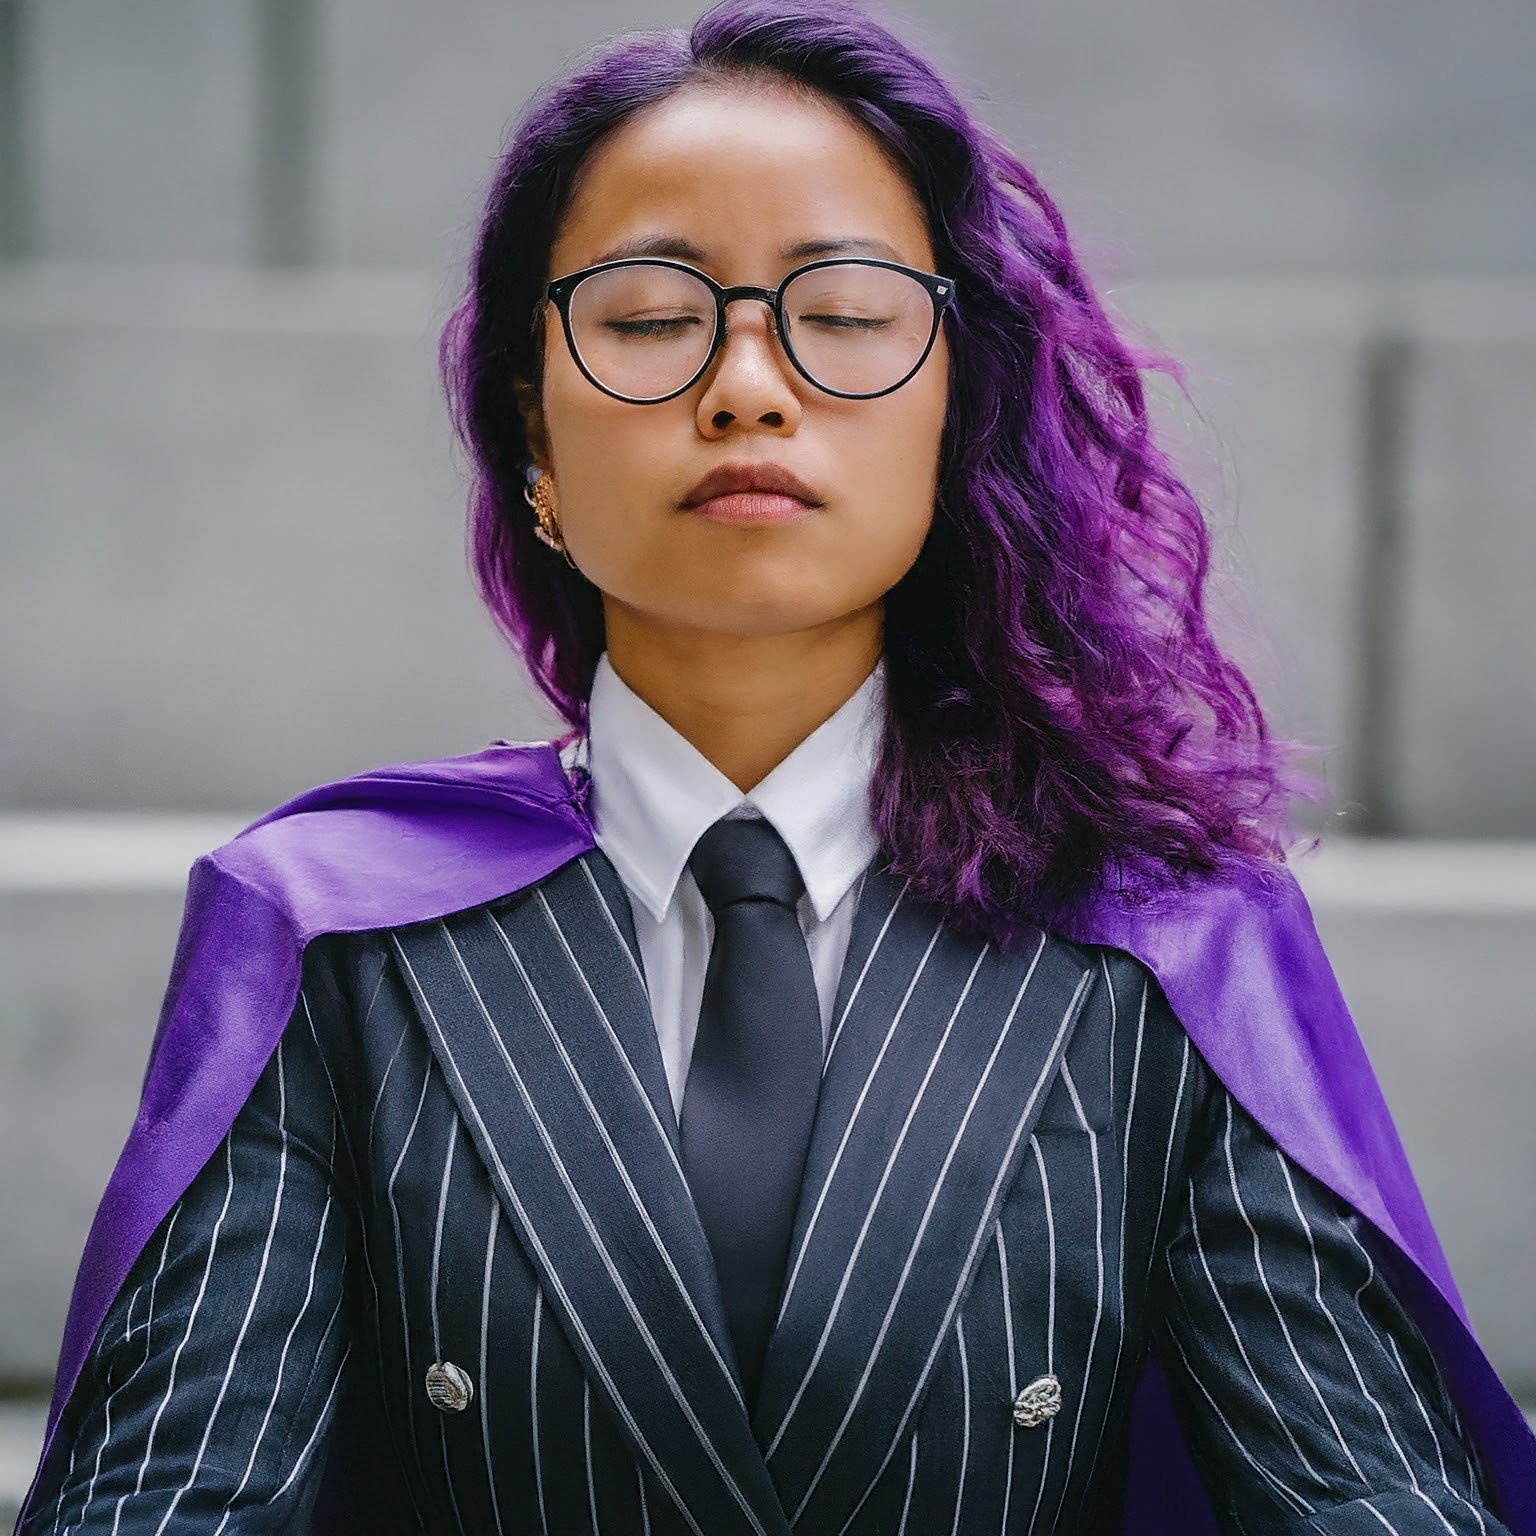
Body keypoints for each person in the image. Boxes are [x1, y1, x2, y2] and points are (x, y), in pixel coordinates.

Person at [15, 1, 1536, 1531]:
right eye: (649, 317)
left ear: (956, 411)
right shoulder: (330, 935)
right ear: (535, 442)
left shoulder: (1171, 952)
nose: (747, 384)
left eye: (848, 312)